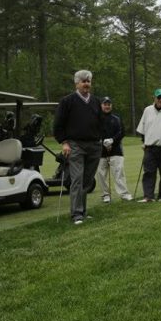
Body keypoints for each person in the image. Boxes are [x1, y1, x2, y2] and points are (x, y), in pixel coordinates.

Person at [53, 70, 103, 225]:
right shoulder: (67, 101)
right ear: (77, 84)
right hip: (75, 145)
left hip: (94, 145)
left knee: (87, 181)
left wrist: (102, 139)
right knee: (77, 179)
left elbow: (101, 122)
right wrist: (64, 142)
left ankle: (83, 211)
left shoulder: (96, 101)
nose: (86, 84)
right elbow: (58, 124)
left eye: (88, 81)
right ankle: (76, 214)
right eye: (83, 81)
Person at [96, 97, 133, 203]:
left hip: (116, 150)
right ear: (101, 105)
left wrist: (112, 141)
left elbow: (121, 132)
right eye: (105, 104)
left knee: (119, 173)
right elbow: (94, 133)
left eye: (109, 104)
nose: (107, 106)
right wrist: (103, 142)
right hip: (100, 151)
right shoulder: (96, 119)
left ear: (111, 105)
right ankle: (105, 195)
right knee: (101, 174)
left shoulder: (116, 118)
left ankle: (124, 194)